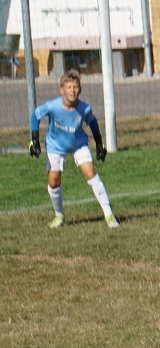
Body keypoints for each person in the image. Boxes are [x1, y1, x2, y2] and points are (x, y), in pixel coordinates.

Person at [29, 69, 119, 229]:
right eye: (69, 87)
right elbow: (35, 115)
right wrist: (35, 140)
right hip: (55, 146)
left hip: (78, 145)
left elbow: (92, 122)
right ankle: (59, 215)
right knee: (54, 182)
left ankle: (109, 215)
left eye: (76, 87)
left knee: (90, 174)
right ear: (62, 90)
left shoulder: (85, 108)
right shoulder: (53, 106)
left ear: (80, 89)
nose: (72, 91)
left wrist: (99, 143)